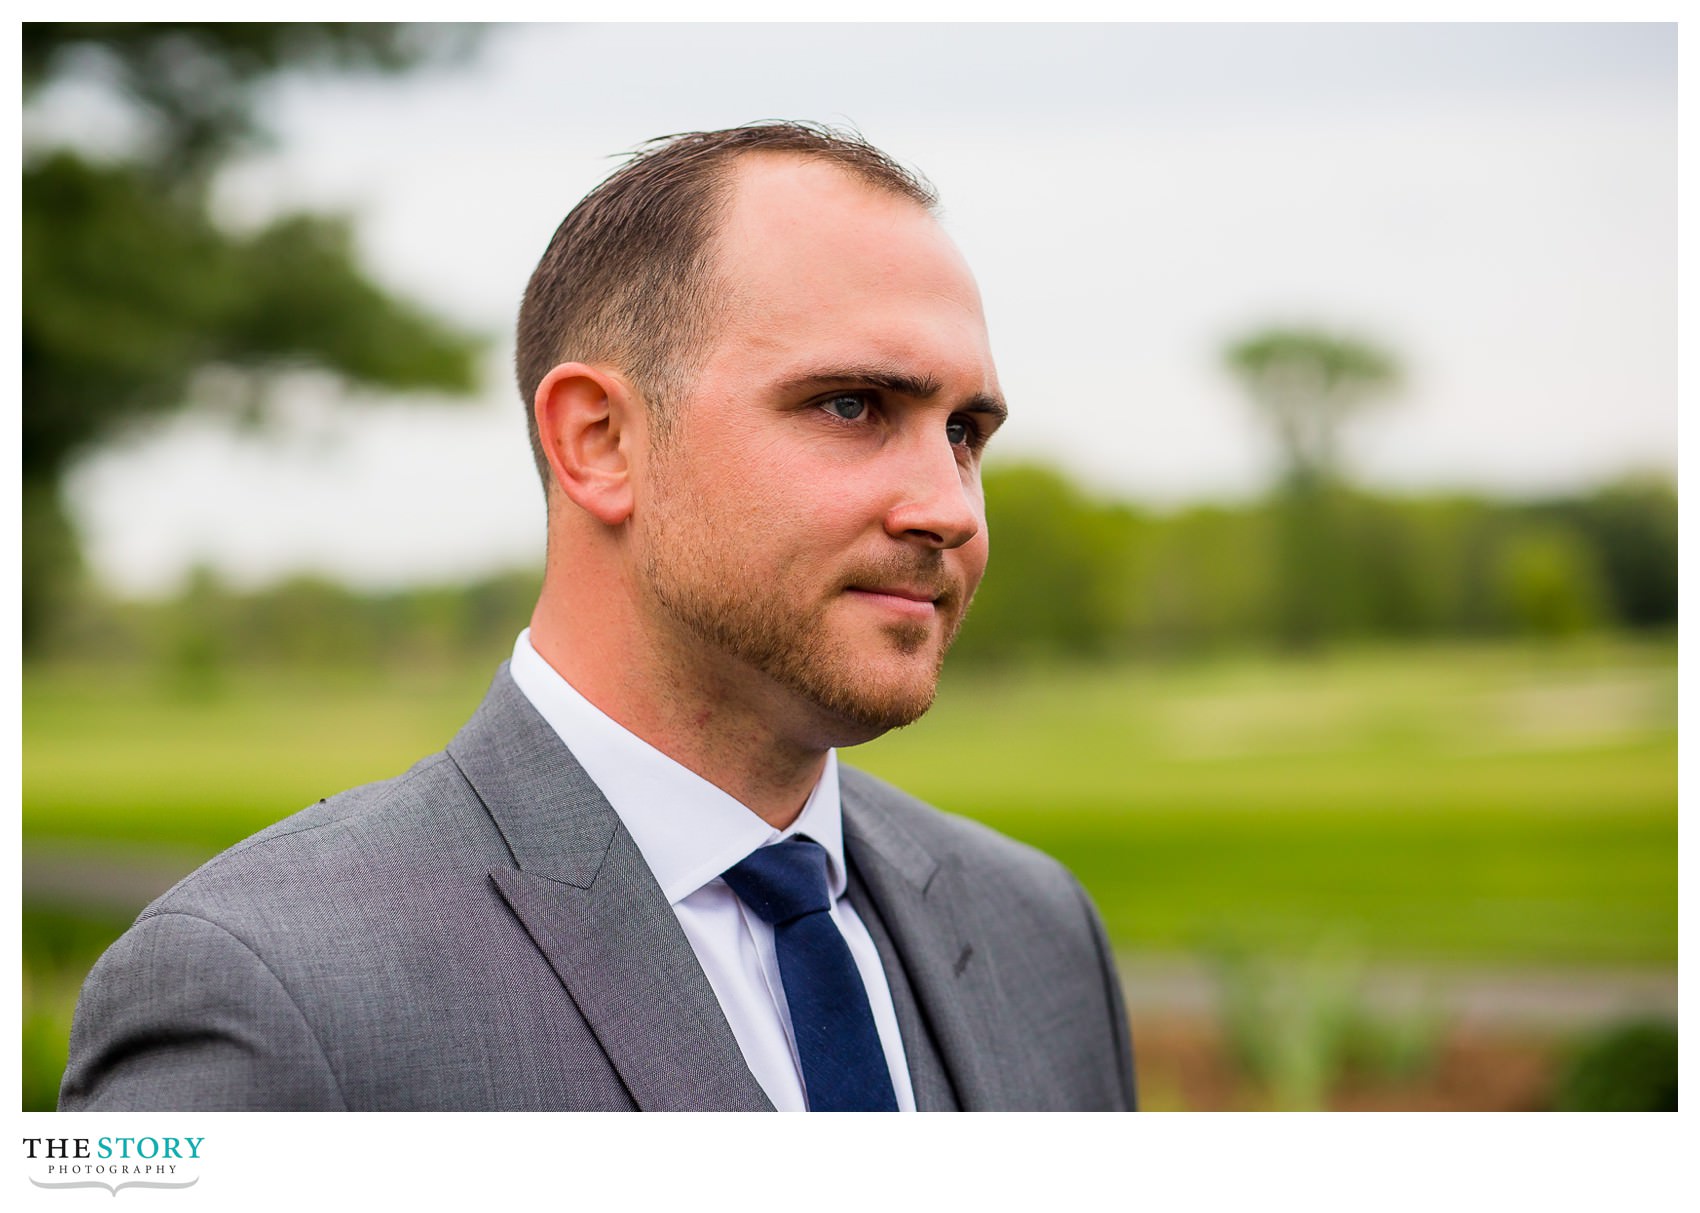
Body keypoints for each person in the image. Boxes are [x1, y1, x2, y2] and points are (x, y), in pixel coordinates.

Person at [59, 122, 1136, 1112]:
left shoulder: (1035, 932)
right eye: (851, 406)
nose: (947, 508)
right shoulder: (271, 989)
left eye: (963, 432)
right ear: (598, 441)